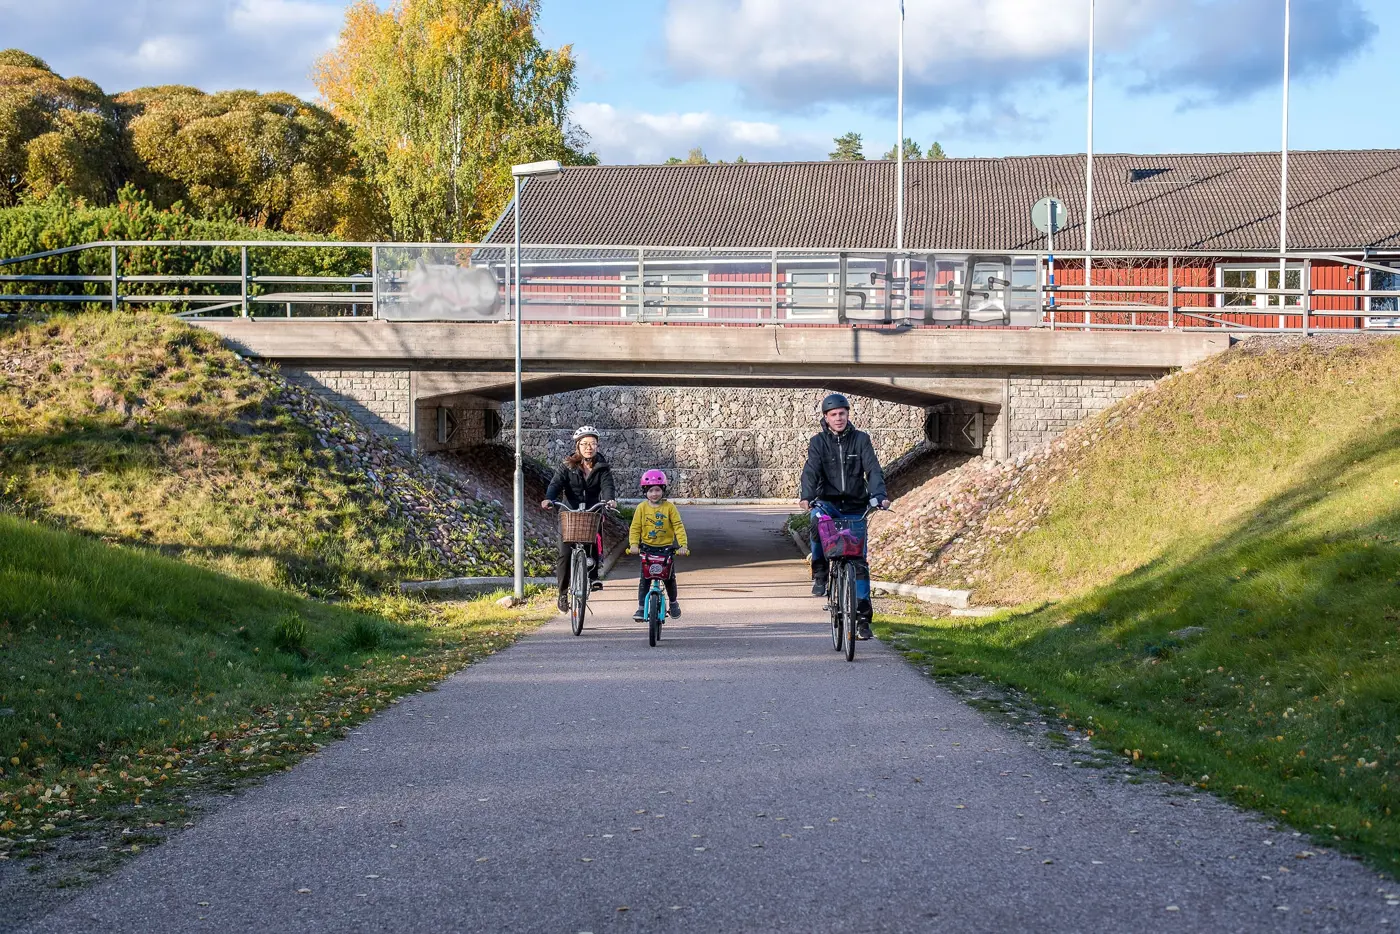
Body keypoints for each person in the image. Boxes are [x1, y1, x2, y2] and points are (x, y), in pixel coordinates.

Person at [798, 393, 890, 640]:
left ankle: (862, 620)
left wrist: (879, 495)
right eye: (833, 415)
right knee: (816, 520)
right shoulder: (818, 442)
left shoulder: (861, 440)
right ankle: (820, 572)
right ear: (826, 418)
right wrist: (806, 496)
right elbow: (811, 471)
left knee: (859, 564)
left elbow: (873, 469)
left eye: (842, 413)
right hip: (828, 505)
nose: (838, 418)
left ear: (848, 415)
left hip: (855, 507)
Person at [542, 426, 617, 613]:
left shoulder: (602, 467)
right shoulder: (567, 466)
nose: (588, 447)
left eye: (592, 443)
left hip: (592, 510)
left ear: (597, 446)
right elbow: (555, 484)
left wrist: (610, 500)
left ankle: (593, 576)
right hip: (570, 512)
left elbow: (608, 486)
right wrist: (549, 499)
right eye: (584, 444)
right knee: (565, 553)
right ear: (578, 446)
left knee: (594, 538)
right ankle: (562, 593)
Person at [627, 469, 689, 622]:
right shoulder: (641, 508)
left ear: (663, 490)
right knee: (645, 579)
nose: (654, 494)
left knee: (669, 578)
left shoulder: (669, 507)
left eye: (657, 490)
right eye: (650, 491)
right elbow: (635, 527)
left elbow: (678, 526)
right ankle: (642, 607)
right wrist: (634, 545)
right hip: (647, 548)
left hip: (666, 549)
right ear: (645, 492)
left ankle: (673, 603)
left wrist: (683, 545)